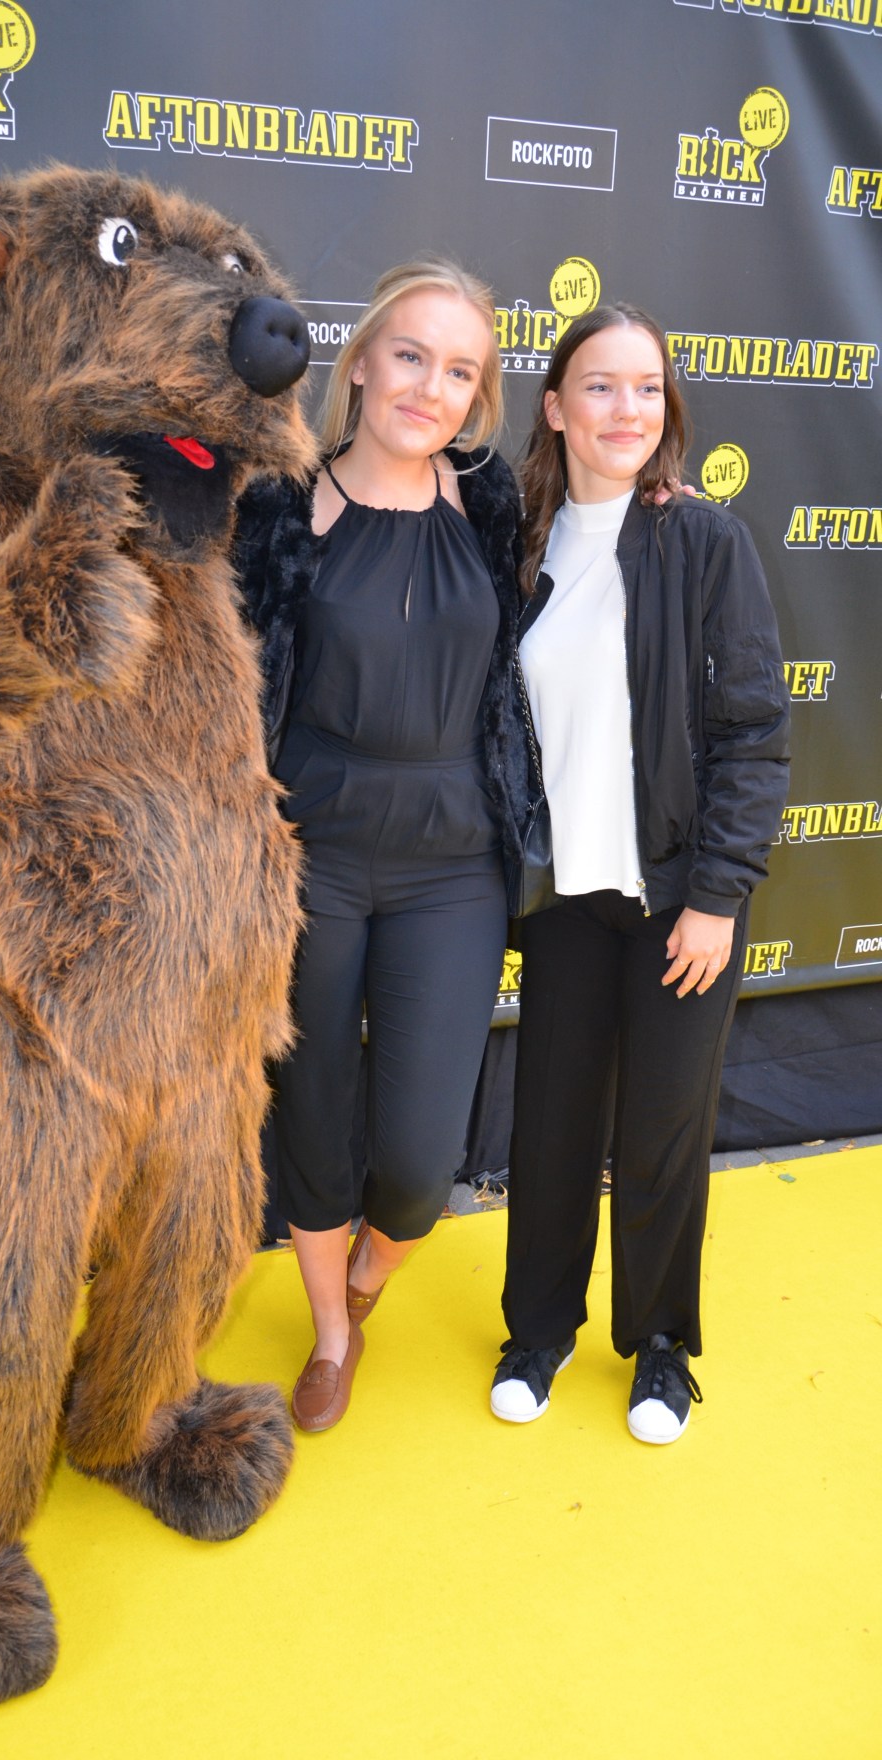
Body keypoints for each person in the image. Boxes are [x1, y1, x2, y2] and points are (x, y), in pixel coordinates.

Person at [234, 261, 532, 1432]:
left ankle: (369, 1271)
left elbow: (610, 521)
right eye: (411, 355)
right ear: (359, 361)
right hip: (310, 850)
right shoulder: (277, 507)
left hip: (454, 856)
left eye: (460, 371)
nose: (430, 387)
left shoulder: (495, 501)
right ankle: (329, 1331)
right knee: (312, 1109)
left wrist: (662, 495)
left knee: (417, 1161)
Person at [490, 303, 790, 1444]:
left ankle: (661, 1347)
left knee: (664, 1129)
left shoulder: (703, 539)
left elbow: (754, 731)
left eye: (648, 388)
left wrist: (717, 895)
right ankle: (539, 1330)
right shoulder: (515, 538)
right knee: (552, 1122)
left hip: (679, 899)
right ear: (556, 407)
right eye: (600, 386)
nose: (628, 409)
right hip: (564, 899)